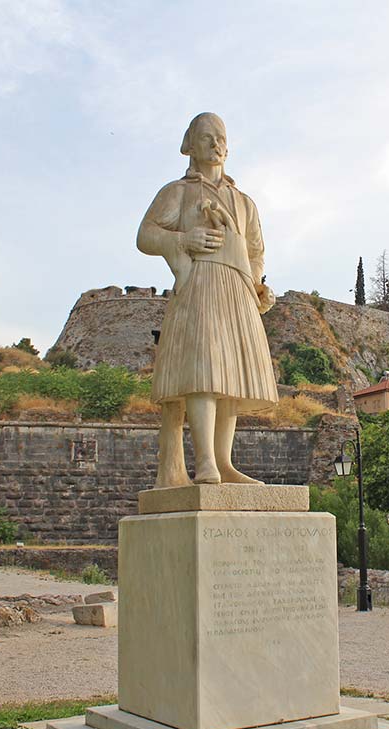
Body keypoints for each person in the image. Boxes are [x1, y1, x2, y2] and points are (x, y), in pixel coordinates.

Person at [138, 112, 278, 487]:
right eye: (206, 137)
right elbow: (146, 235)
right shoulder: (178, 192)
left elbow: (256, 251)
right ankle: (204, 463)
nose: (215, 143)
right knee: (205, 368)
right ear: (190, 145)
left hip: (238, 289)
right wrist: (183, 240)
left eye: (221, 137)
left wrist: (258, 281)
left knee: (231, 374)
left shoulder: (244, 202)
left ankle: (223, 461)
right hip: (201, 283)